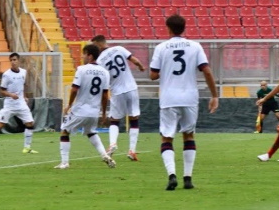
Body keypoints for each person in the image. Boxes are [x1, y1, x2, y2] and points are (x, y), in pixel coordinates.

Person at [149, 14, 219, 190]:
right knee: (188, 135)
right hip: (189, 97)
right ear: (184, 28)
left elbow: (153, 75)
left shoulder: (161, 47)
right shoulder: (195, 46)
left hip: (168, 98)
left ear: (168, 28)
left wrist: (165, 69)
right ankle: (188, 178)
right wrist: (214, 95)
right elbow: (207, 71)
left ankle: (172, 175)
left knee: (167, 137)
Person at [55, 44, 116, 169]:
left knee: (64, 131)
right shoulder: (105, 72)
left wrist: (69, 105)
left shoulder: (82, 69)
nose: (83, 57)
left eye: (84, 54)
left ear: (90, 55)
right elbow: (105, 95)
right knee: (91, 132)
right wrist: (103, 113)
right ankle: (104, 155)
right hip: (94, 112)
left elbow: (74, 90)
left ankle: (65, 162)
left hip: (80, 109)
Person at [90, 35, 146, 161]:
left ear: (99, 44)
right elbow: (135, 61)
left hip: (117, 91)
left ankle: (112, 144)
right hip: (131, 88)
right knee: (134, 118)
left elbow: (102, 79)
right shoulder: (119, 49)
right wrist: (141, 67)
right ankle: (132, 150)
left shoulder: (99, 61)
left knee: (114, 120)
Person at [0, 53, 38, 154]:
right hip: (10, 105)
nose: (13, 62)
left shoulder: (23, 72)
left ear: (19, 61)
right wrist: (11, 95)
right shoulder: (7, 74)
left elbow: (22, 85)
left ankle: (27, 148)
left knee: (30, 123)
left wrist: (24, 96)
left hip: (21, 103)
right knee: (0, 125)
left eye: (15, 60)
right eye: (11, 60)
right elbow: (2, 91)